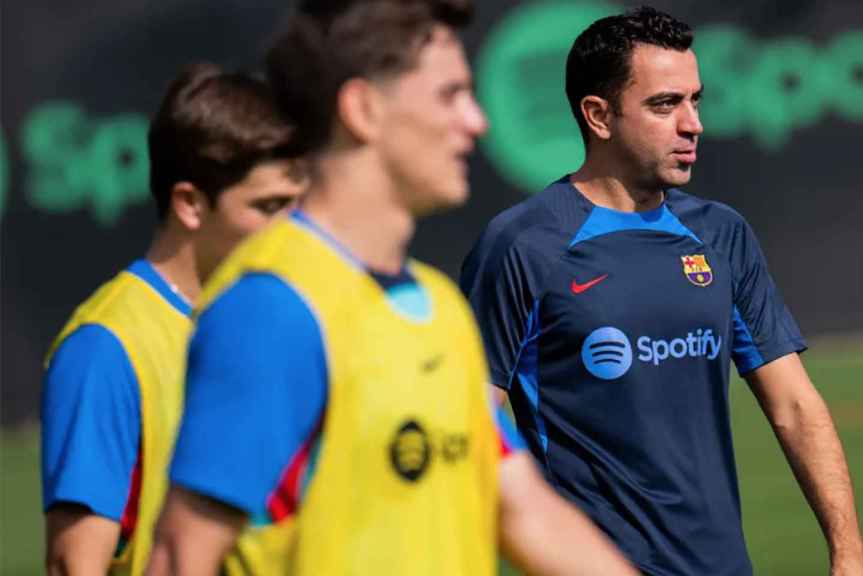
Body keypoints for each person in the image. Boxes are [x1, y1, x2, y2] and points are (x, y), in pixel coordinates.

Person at [146, 1, 637, 575]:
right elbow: (180, 557)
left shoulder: (437, 304)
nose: (476, 121)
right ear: (363, 109)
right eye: (449, 94)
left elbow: (526, 511)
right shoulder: (272, 307)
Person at [460, 6, 863, 576]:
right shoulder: (521, 246)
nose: (693, 123)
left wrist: (849, 554)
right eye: (664, 105)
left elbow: (796, 408)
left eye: (694, 100)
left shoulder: (720, 234)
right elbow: (467, 434)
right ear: (599, 116)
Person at [40, 63, 307, 576]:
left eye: (298, 206)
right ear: (190, 204)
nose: (292, 229)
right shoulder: (105, 346)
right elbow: (76, 565)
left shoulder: (282, 317)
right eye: (269, 206)